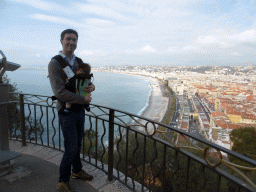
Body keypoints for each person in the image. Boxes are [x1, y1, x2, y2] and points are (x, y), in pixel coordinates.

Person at [48, 29, 95, 192]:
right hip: (66, 112)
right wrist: (83, 99)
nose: (71, 42)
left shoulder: (79, 61)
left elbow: (84, 84)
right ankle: (63, 180)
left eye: (74, 40)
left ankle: (76, 171)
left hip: (79, 110)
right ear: (61, 41)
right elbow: (59, 92)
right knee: (71, 147)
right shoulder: (55, 63)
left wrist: (92, 87)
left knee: (78, 143)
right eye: (68, 39)